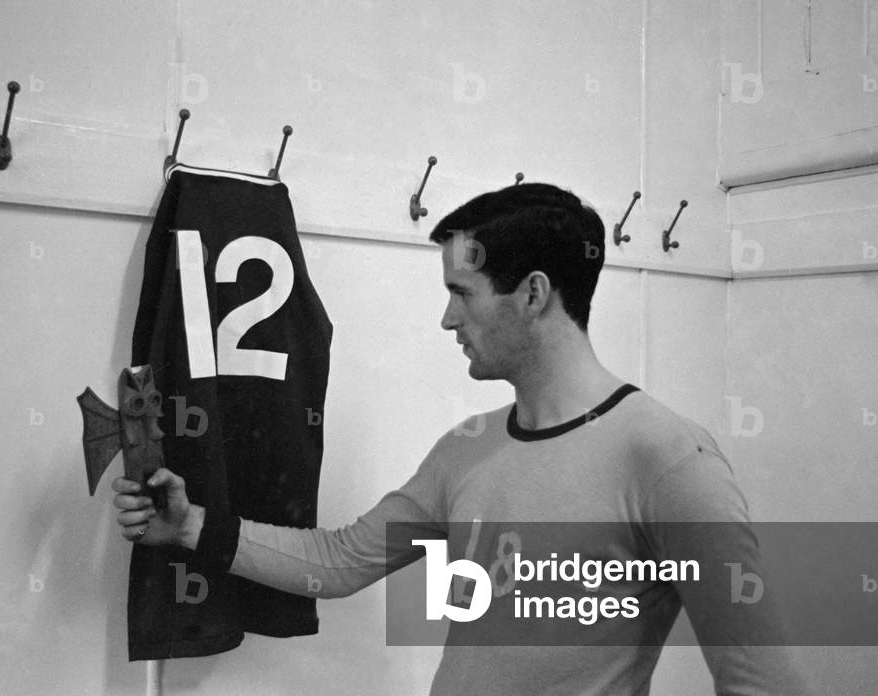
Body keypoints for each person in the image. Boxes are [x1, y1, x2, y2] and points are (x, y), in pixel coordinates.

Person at [112, 184, 810, 695]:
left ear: (532, 294)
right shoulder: (466, 448)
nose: (447, 319)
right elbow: (341, 561)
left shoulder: (668, 460)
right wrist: (190, 525)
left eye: (463, 292)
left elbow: (763, 684)